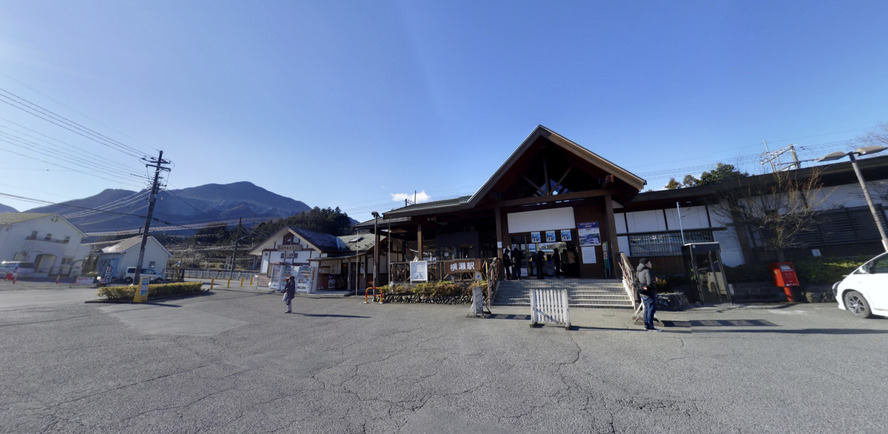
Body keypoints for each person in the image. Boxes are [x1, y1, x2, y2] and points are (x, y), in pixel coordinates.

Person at [636, 258, 660, 331]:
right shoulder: (647, 271)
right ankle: (650, 325)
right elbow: (650, 283)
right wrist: (654, 286)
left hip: (642, 292)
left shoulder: (638, 271)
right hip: (649, 293)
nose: (651, 264)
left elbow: (638, 281)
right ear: (646, 263)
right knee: (651, 309)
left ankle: (646, 325)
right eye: (650, 262)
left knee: (646, 308)